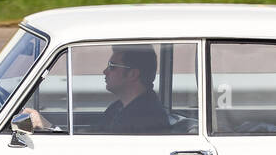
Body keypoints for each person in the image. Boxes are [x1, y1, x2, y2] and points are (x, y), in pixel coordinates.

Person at [20, 45, 171, 134]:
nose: (105, 71)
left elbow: (88, 151)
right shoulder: (120, 107)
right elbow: (90, 137)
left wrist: (51, 127)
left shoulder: (143, 119)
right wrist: (48, 126)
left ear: (133, 74)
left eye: (112, 67)